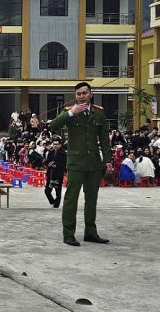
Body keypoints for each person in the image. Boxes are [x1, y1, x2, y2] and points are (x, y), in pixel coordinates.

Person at [47, 81, 112, 246]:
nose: (82, 96)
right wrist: (70, 114)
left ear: (91, 94)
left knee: (92, 199)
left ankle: (91, 232)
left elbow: (104, 139)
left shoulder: (98, 113)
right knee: (71, 199)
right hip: (76, 162)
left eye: (84, 93)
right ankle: (68, 233)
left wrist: (108, 160)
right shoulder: (69, 112)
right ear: (75, 97)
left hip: (94, 164)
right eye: (78, 94)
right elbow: (53, 126)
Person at [43, 137, 66, 208]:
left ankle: (56, 206)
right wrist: (45, 163)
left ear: (60, 144)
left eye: (57, 144)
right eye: (54, 144)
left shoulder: (63, 153)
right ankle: (53, 202)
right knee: (47, 191)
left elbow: (63, 164)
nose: (55, 146)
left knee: (57, 192)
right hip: (51, 174)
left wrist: (55, 165)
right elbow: (47, 161)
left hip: (58, 175)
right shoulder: (51, 151)